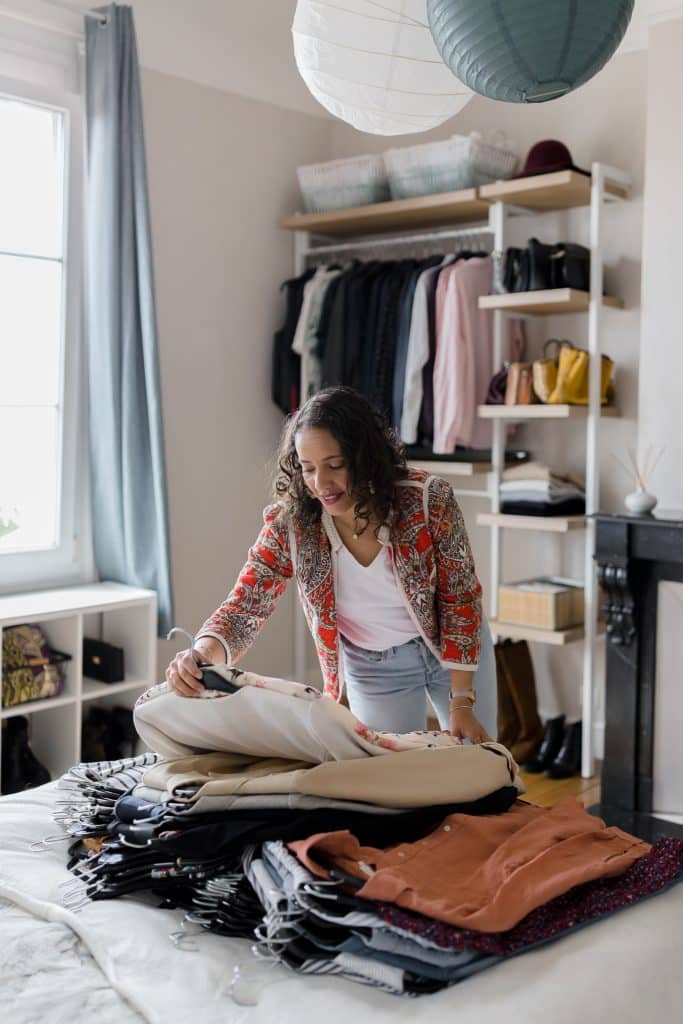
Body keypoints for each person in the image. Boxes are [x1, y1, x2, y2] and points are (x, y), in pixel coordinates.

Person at [166, 386, 496, 744]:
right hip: (375, 668)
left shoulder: (428, 500)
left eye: (335, 465)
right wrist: (200, 655)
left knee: (481, 764)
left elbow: (459, 597)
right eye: (308, 469)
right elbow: (247, 605)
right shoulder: (292, 525)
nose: (321, 484)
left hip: (455, 648)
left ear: (365, 456)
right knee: (392, 781)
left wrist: (462, 700)